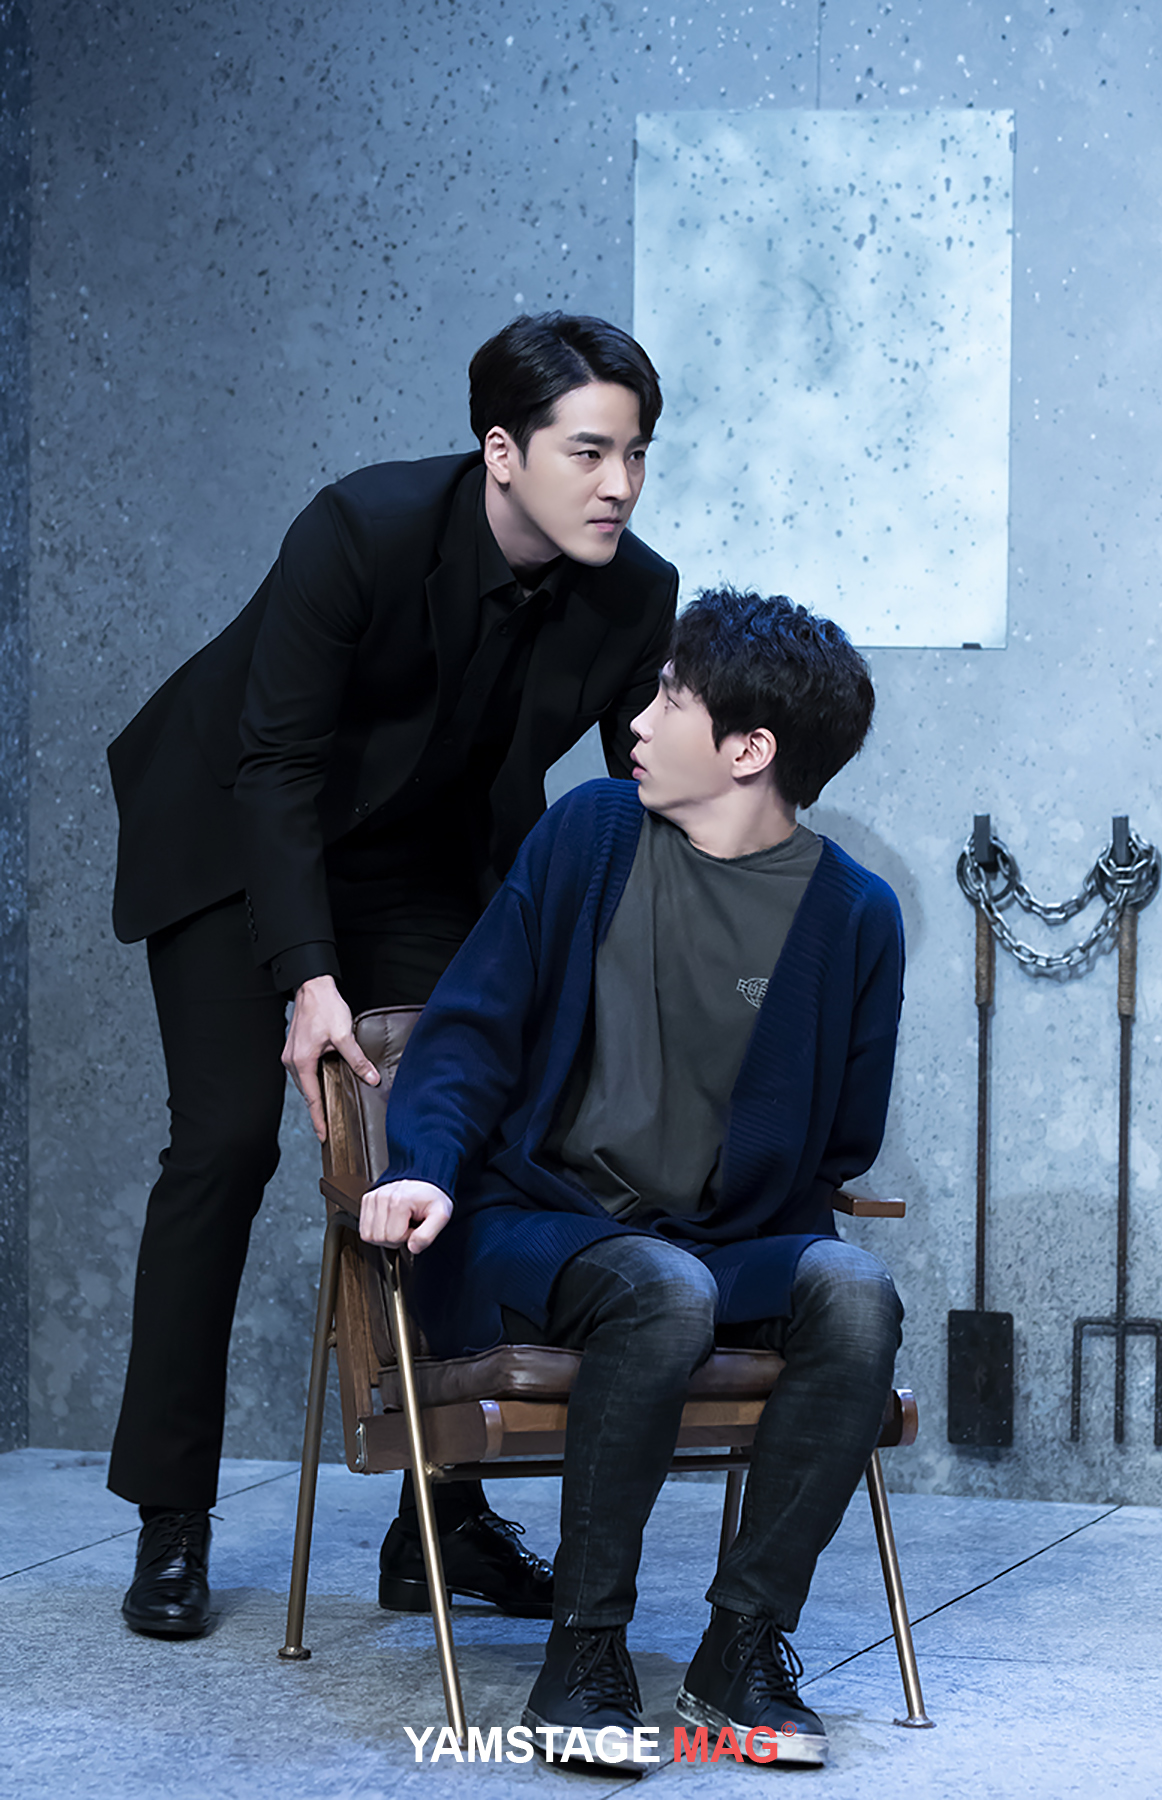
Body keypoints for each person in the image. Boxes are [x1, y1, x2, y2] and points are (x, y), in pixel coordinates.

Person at [106, 313, 679, 1638]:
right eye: (590, 453)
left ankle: (443, 1522)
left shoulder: (633, 591)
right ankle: (170, 1516)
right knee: (226, 1143)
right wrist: (307, 980)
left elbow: (645, 794)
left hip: (422, 862)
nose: (620, 485)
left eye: (638, 454)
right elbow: (275, 769)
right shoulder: (360, 530)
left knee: (450, 1139)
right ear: (502, 451)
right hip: (237, 839)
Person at [358, 587, 905, 1770]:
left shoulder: (856, 917)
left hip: (712, 1252)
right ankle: (584, 1655)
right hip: (527, 1232)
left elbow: (840, 1141)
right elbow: (469, 1031)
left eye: (671, 698)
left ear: (749, 751)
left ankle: (741, 1649)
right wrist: (428, 1171)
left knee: (857, 1294)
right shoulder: (594, 834)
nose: (641, 722)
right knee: (663, 1286)